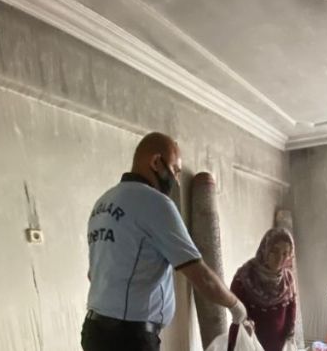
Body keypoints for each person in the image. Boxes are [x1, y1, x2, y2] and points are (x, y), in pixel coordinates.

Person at [81, 132, 247, 351]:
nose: (176, 180)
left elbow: (93, 274)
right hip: (128, 339)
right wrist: (236, 306)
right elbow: (201, 276)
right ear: (156, 162)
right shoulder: (154, 202)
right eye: (175, 170)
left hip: (94, 331)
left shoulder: (103, 203)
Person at [228, 228, 297, 351]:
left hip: (277, 343)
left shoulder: (287, 279)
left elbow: (292, 308)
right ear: (265, 249)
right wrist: (245, 322)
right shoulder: (245, 276)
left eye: (285, 253)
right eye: (274, 251)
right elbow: (235, 306)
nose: (280, 258)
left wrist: (290, 332)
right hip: (247, 342)